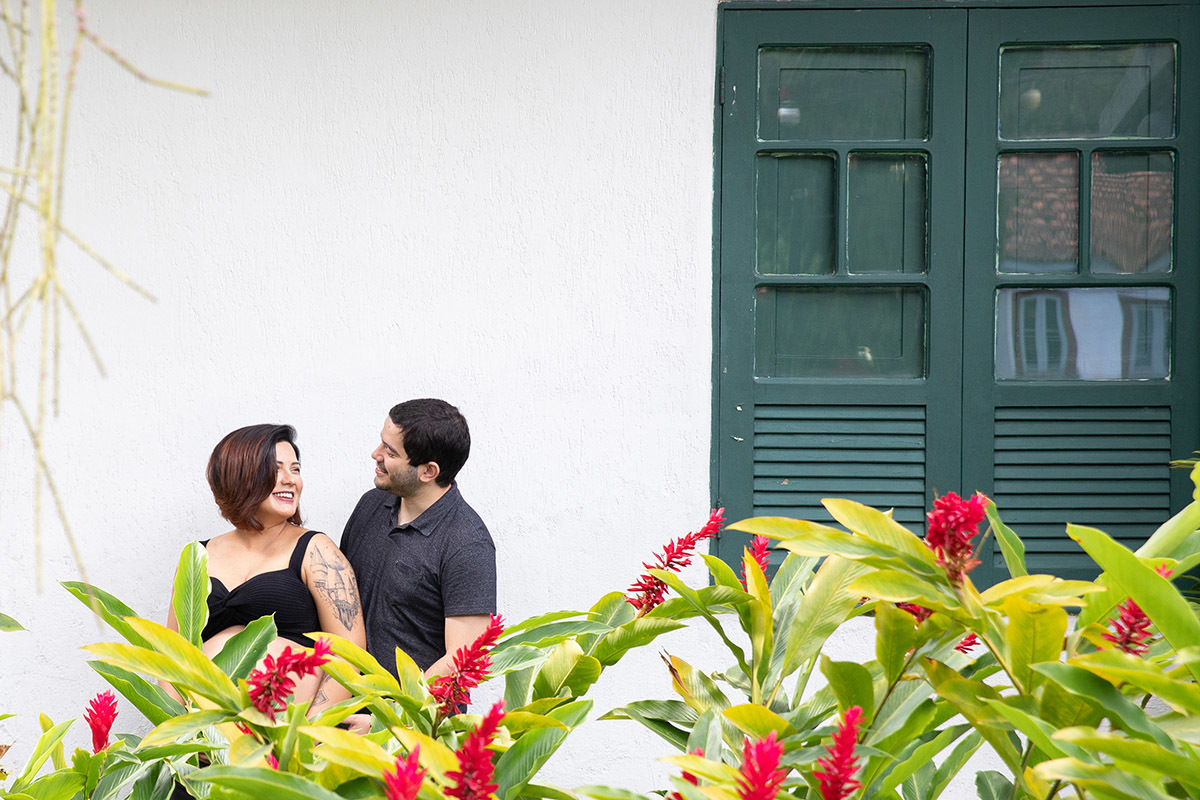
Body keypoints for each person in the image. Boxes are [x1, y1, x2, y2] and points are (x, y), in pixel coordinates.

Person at [165, 424, 367, 716]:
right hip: (207, 735)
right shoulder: (197, 556)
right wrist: (175, 728)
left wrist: (310, 729)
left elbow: (350, 653)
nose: (290, 480)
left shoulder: (317, 551)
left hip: (291, 734)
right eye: (276, 469)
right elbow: (173, 655)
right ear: (240, 476)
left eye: (295, 470)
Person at [341, 399, 496, 681]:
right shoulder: (371, 505)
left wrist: (395, 707)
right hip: (343, 701)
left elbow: (462, 660)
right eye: (381, 443)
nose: (376, 454)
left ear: (428, 471)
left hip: (411, 709)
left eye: (390, 451)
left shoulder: (468, 544)